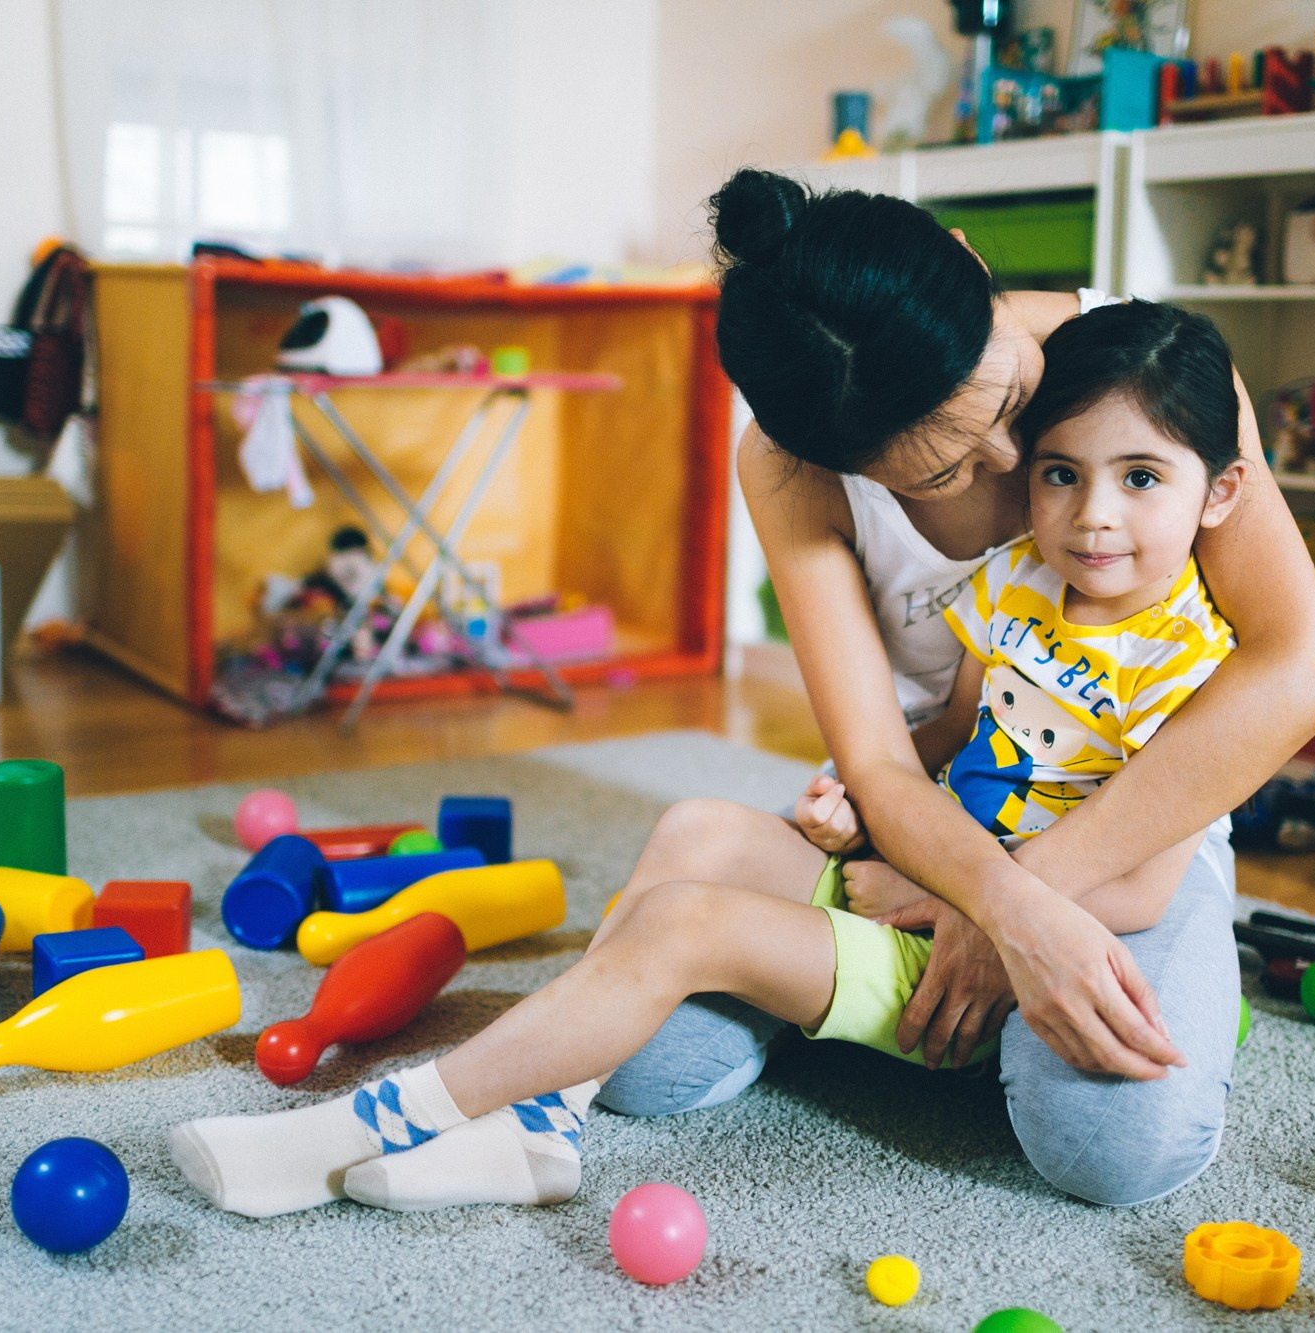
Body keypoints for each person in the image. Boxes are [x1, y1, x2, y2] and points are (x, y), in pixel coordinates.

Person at [167, 301, 1253, 1218]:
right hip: (934, 885)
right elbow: (955, 742)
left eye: (1141, 480)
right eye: (1060, 474)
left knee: (685, 925)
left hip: (1012, 946)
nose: (1092, 515)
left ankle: (364, 1125)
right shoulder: (1018, 584)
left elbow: (1145, 877)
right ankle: (542, 1129)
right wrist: (860, 812)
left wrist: (936, 889)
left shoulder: (1195, 661)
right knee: (695, 829)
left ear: (1218, 494)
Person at [592, 170, 1315, 1208]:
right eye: (941, 471)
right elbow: (876, 759)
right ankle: (908, 1006)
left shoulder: (1144, 363)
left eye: (1006, 405)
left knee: (1113, 1146)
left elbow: (1299, 667)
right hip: (913, 817)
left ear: (968, 257)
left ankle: (894, 1008)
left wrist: (1021, 901)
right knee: (642, 1066)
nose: (1006, 462)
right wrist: (980, 894)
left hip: (1126, 823)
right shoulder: (790, 462)